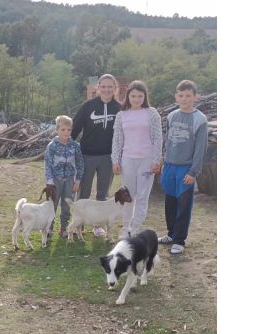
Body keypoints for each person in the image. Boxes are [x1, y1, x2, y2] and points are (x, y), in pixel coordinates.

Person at [158, 80, 208, 255]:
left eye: (188, 95)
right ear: (176, 97)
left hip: (186, 169)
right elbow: (168, 142)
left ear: (195, 97)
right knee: (170, 203)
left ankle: (179, 240)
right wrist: (164, 162)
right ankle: (171, 234)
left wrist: (193, 172)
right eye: (181, 95)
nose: (185, 99)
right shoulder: (171, 116)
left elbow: (200, 148)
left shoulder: (200, 119)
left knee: (184, 204)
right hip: (170, 166)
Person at [111, 80, 163, 240]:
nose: (136, 99)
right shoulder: (121, 115)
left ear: (145, 96)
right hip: (128, 160)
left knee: (142, 195)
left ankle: (135, 228)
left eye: (140, 96)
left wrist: (156, 159)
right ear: (128, 96)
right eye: (133, 96)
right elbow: (117, 139)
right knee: (129, 195)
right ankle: (126, 228)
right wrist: (115, 160)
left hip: (147, 160)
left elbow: (157, 138)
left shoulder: (152, 113)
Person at [71, 74, 121, 238]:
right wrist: (66, 146)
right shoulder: (88, 106)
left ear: (115, 88)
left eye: (110, 86)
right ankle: (79, 223)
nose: (106, 89)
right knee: (83, 192)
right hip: (87, 155)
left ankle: (98, 225)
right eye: (103, 86)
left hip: (108, 157)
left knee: (103, 193)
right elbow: (75, 128)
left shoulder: (119, 108)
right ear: (98, 88)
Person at [45, 115, 84, 238]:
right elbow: (48, 165)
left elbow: (80, 164)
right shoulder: (52, 146)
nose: (66, 132)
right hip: (55, 180)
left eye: (69, 130)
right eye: (63, 130)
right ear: (57, 130)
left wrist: (77, 181)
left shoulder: (75, 146)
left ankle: (64, 228)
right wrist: (50, 182)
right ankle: (48, 228)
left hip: (70, 180)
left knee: (67, 205)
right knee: (53, 204)